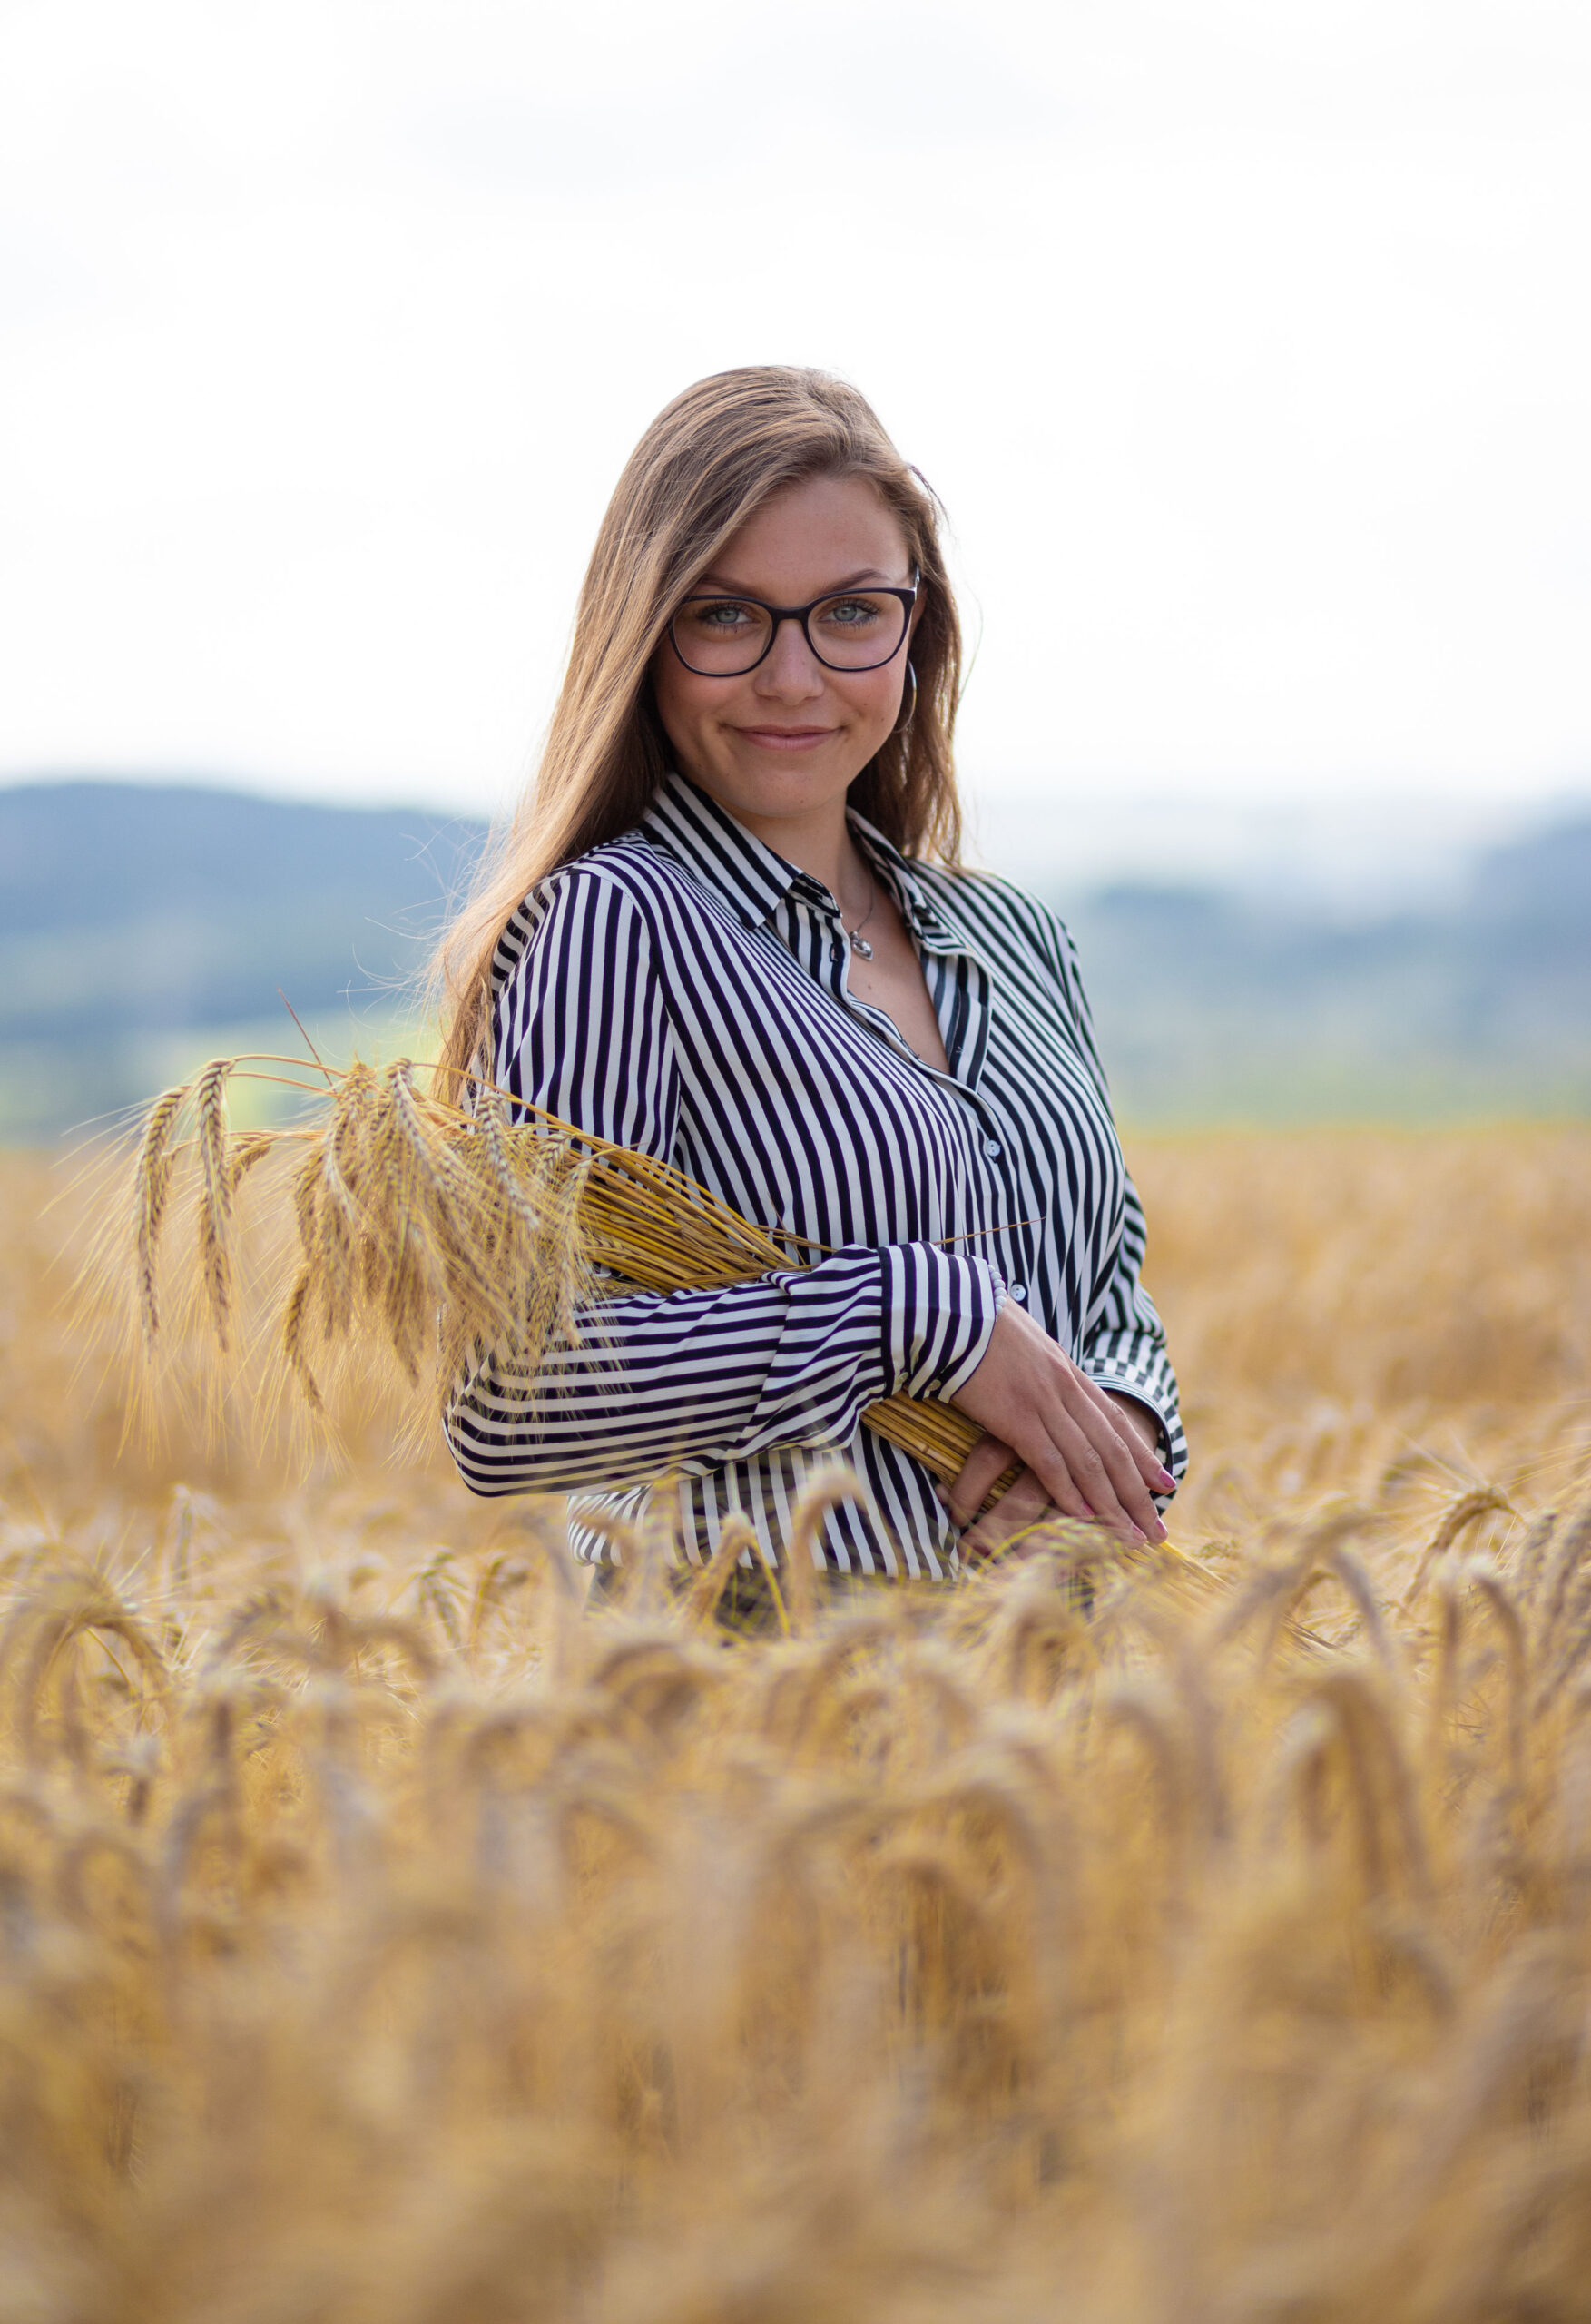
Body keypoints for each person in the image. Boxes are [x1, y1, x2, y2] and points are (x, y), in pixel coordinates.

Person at [436, 366, 1184, 1597]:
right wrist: (912, 1314)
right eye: (725, 616)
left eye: (848, 613)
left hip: (1058, 1731)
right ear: (646, 635)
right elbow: (518, 1399)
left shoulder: (1016, 940)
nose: (792, 677)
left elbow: (1105, 1295)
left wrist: (1121, 1434)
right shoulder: (611, 929)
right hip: (737, 1737)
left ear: (916, 627)